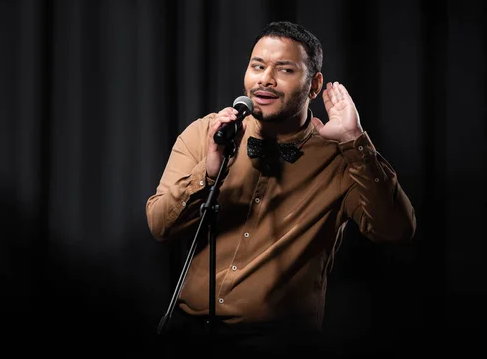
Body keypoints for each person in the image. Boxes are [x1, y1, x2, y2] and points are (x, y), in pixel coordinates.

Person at [144, 20, 416, 357]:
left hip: (281, 344)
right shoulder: (206, 134)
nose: (265, 79)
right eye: (258, 66)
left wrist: (354, 141)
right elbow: (159, 225)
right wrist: (209, 173)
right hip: (189, 334)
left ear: (314, 85)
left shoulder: (344, 158)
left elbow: (395, 230)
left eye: (284, 69)